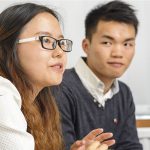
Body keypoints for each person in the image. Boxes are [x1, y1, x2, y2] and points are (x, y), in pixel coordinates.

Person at [0, 2, 114, 150]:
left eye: (61, 42)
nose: (60, 51)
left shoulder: (42, 103)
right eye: (46, 40)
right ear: (9, 46)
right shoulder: (3, 98)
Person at [52, 0, 143, 150]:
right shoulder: (59, 88)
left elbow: (131, 146)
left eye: (127, 44)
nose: (118, 53)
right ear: (86, 46)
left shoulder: (124, 93)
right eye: (107, 42)